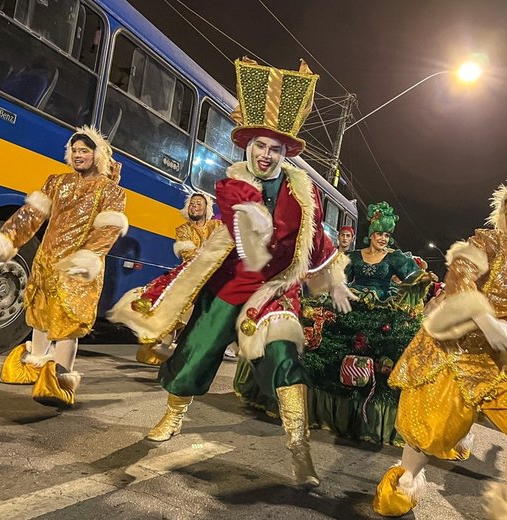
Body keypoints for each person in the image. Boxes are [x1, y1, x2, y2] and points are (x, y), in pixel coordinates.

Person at [108, 58, 353, 488]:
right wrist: (253, 218)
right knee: (197, 351)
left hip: (275, 289)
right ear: (248, 147)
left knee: (284, 359)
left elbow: (314, 240)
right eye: (260, 145)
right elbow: (245, 224)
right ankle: (173, 416)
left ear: (284, 154)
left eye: (274, 149)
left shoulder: (304, 190)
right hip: (231, 282)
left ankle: (300, 450)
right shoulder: (232, 184)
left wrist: (333, 279)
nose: (266, 154)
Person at [373, 180, 507, 519]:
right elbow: (459, 275)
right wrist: (485, 320)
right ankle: (404, 484)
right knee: (428, 432)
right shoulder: (489, 240)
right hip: (452, 348)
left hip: (497, 360)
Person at [236, 202, 430, 445]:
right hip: (346, 307)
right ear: (371, 234)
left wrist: (423, 278)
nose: (384, 239)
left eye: (388, 235)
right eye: (380, 233)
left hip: (379, 314)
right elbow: (336, 276)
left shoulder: (396, 258)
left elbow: (414, 277)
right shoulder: (354, 256)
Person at [0, 127, 126, 408]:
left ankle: (62, 380)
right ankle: (34, 365)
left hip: (78, 265)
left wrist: (88, 258)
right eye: (74, 151)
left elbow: (108, 230)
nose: (78, 156)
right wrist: (7, 237)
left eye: (84, 151)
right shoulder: (56, 182)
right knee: (40, 312)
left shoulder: (111, 192)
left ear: (96, 155)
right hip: (47, 260)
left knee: (69, 319)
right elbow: (32, 214)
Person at [133, 192, 223, 366]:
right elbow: (187, 253)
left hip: (214, 280)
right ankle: (162, 352)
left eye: (199, 203)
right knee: (174, 314)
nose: (194, 206)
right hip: (190, 278)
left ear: (206, 209)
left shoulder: (217, 226)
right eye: (192, 204)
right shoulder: (183, 229)